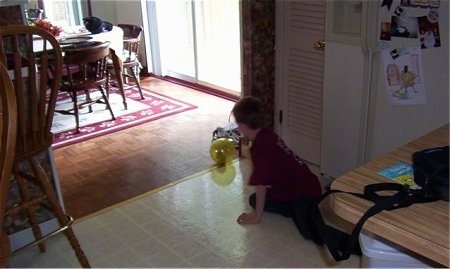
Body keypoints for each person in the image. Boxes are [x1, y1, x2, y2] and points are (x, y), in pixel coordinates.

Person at [232, 96, 323, 241]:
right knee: (254, 200)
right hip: (291, 187)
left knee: (313, 234)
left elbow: (261, 184)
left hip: (304, 191)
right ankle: (291, 208)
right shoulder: (267, 134)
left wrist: (256, 216)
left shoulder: (260, 147)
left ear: (243, 125)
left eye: (237, 123)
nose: (237, 127)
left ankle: (356, 244)